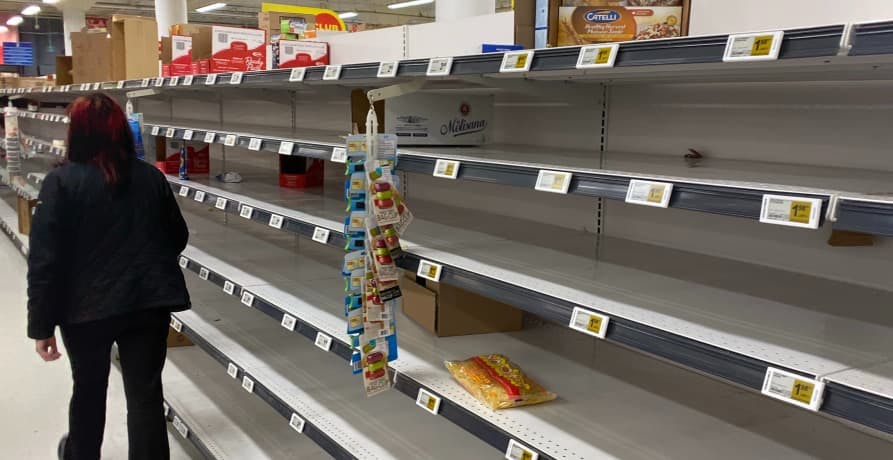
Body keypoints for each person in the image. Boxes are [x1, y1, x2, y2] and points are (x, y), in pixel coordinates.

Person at [26, 93, 190, 460]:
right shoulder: (151, 178)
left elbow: (45, 262)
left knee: (88, 390)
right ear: (121, 132)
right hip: (147, 304)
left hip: (85, 310)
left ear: (77, 133)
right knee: (146, 395)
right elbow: (177, 236)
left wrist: (41, 326)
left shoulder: (61, 183)